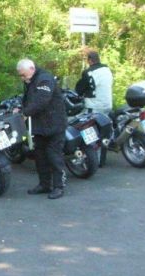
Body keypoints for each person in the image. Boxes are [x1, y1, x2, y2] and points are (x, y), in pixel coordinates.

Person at [15, 58, 67, 199]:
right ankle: (44, 185)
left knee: (54, 156)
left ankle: (59, 187)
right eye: (20, 75)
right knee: (40, 156)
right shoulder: (31, 80)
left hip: (55, 124)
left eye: (23, 75)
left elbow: (41, 100)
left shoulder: (45, 79)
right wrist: (21, 108)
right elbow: (29, 99)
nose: (22, 78)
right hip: (40, 125)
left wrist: (25, 113)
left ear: (32, 69)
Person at [75, 49, 113, 114]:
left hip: (94, 108)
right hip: (108, 106)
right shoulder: (107, 69)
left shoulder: (89, 73)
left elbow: (79, 89)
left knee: (79, 119)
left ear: (90, 60)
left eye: (87, 59)